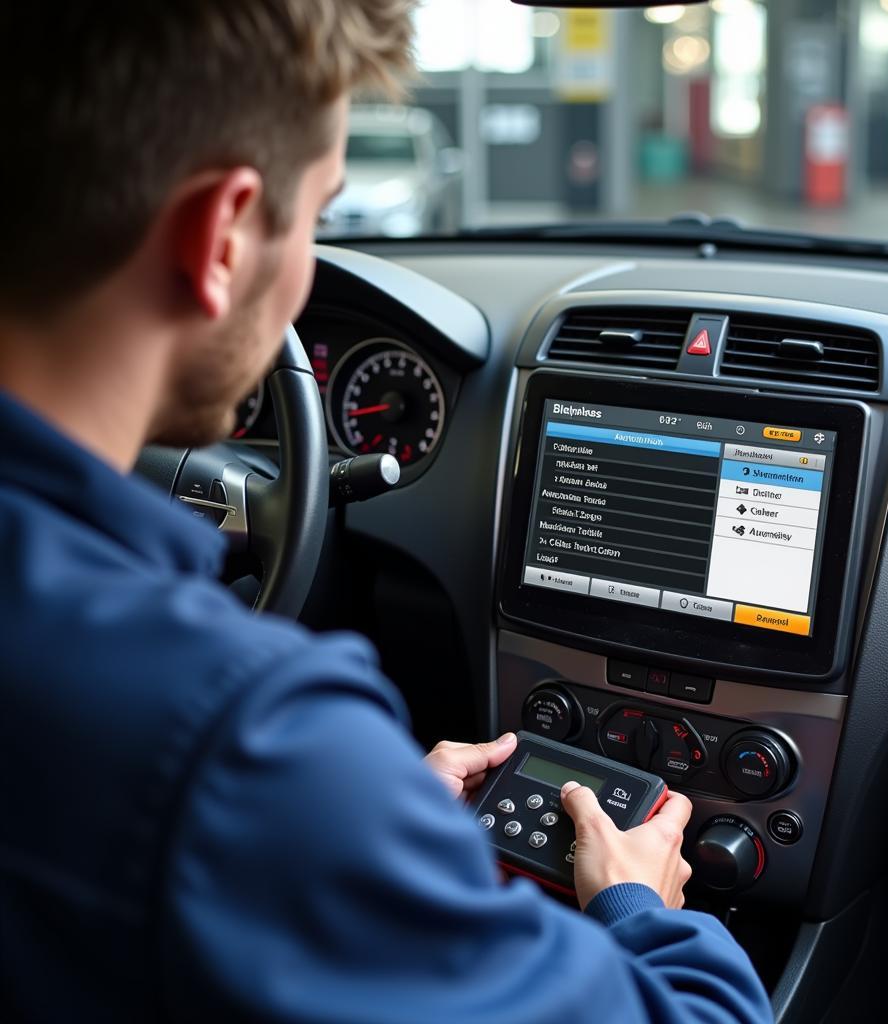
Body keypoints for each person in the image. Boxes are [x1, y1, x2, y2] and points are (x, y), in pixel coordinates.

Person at [0, 4, 774, 1022]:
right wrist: (639, 903)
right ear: (220, 235)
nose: (312, 265)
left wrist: (369, 819)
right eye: (317, 215)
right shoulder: (243, 747)